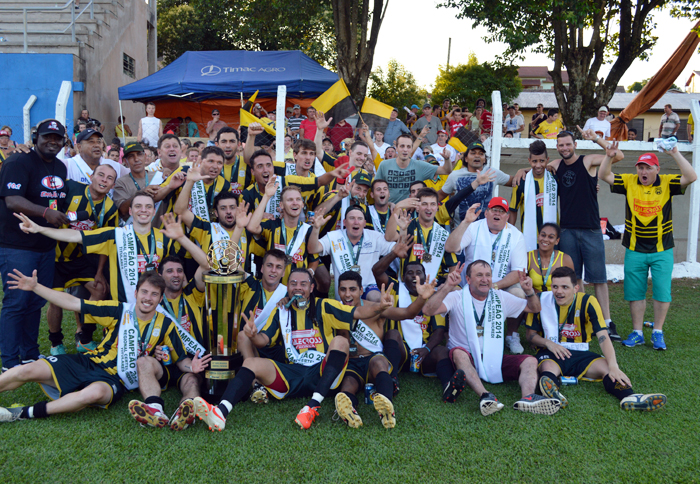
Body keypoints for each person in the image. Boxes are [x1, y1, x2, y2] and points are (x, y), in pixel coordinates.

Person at [192, 268, 396, 431]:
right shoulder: (281, 310)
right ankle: (221, 412)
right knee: (251, 362)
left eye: (303, 284)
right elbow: (264, 341)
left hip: (322, 373)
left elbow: (358, 311)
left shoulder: (324, 306)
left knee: (340, 343)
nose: (298, 288)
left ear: (312, 287)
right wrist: (253, 335)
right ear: (287, 287)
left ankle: (312, 407)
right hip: (292, 374)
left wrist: (381, 307)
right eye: (293, 283)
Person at [0, 271, 200, 424]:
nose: (148, 298)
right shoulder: (119, 310)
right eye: (145, 292)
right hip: (88, 362)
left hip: (114, 379)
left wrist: (193, 368)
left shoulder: (166, 324)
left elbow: (181, 360)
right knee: (28, 369)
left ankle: (22, 413)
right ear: (136, 293)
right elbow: (74, 303)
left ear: (160, 298)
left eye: (154, 294)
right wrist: (36, 287)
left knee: (91, 395)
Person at [422, 260, 560, 416]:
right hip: (465, 357)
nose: (485, 279)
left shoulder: (500, 297)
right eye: (479, 275)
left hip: (492, 357)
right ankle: (485, 396)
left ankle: (527, 398)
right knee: (458, 353)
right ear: (468, 279)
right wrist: (447, 286)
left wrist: (529, 291)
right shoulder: (457, 297)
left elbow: (535, 308)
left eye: (488, 275)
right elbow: (428, 310)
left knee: (530, 360)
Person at [525, 267, 667, 412]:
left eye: (564, 287)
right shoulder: (542, 299)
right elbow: (530, 336)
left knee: (607, 368)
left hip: (580, 353)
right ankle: (553, 394)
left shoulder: (588, 301)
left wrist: (613, 366)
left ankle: (630, 397)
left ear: (576, 288)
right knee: (547, 368)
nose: (559, 291)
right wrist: (548, 343)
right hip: (552, 353)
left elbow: (603, 336)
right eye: (555, 286)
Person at [599, 144, 696, 350]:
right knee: (635, 293)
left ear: (657, 169)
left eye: (648, 168)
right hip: (634, 249)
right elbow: (604, 175)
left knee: (662, 292)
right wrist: (608, 157)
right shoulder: (629, 181)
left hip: (662, 249)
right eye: (640, 167)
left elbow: (692, 176)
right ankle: (637, 332)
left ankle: (657, 332)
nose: (643, 172)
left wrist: (674, 153)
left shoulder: (668, 182)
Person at [17, 195, 190, 305]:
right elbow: (75, 236)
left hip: (156, 307)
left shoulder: (165, 238)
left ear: (153, 212)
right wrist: (39, 229)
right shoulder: (115, 235)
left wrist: (181, 237)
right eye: (138, 206)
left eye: (148, 207)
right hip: (122, 310)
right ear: (130, 211)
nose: (143, 210)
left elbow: (180, 271)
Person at [0, 119, 69, 371]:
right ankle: (9, 362)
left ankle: (29, 354)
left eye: (58, 137)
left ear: (64, 141)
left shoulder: (60, 167)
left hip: (45, 246)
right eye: (47, 136)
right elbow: (12, 200)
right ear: (35, 137)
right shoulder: (18, 161)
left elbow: (58, 202)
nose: (53, 141)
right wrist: (45, 213)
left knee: (35, 302)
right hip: (17, 245)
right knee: (17, 301)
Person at [334, 268, 437, 428]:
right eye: (343, 289)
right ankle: (350, 413)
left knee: (380, 364)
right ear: (338, 291)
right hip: (352, 363)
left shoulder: (376, 307)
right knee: (347, 385)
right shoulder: (333, 310)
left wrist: (422, 298)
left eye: (352, 289)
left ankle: (386, 409)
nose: (348, 294)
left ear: (361, 290)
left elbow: (407, 313)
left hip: (373, 359)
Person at [372, 237, 461, 403]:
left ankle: (450, 386)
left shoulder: (432, 296)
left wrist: (426, 349)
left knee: (442, 351)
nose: (414, 276)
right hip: (399, 351)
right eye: (409, 273)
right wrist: (393, 254)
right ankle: (392, 379)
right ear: (403, 277)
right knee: (392, 333)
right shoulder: (396, 289)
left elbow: (440, 331)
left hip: (422, 354)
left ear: (424, 275)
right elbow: (377, 271)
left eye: (418, 272)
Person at [130, 251, 211, 430]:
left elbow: (206, 265)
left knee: (192, 381)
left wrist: (181, 238)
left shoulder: (193, 294)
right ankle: (155, 410)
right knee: (144, 362)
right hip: (164, 363)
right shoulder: (152, 300)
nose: (176, 275)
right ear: (160, 275)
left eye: (179, 271)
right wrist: (153, 351)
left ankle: (185, 412)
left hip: (190, 361)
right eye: (170, 271)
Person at [48, 164, 119, 356]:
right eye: (101, 175)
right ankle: (56, 343)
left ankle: (84, 338)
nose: (104, 180)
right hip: (55, 257)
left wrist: (99, 272)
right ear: (91, 176)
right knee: (55, 301)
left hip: (81, 259)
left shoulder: (110, 208)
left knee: (99, 289)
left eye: (109, 178)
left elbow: (107, 243)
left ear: (113, 184)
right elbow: (51, 208)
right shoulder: (71, 187)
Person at [445, 198, 528, 354]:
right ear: (486, 213)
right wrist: (465, 222)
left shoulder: (516, 236)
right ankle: (453, 335)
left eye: (501, 211)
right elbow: (450, 247)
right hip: (470, 283)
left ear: (507, 216)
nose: (497, 214)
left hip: (500, 285)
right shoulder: (473, 227)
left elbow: (518, 272)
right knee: (450, 290)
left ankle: (511, 335)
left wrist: (495, 286)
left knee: (518, 293)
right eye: (494, 210)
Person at [308, 204, 395, 302]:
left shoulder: (375, 236)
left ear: (365, 223)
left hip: (369, 287)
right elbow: (312, 249)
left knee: (377, 298)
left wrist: (403, 231)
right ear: (344, 222)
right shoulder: (334, 237)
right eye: (352, 218)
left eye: (360, 218)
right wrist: (316, 228)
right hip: (345, 290)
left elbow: (396, 248)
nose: (356, 222)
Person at [235, 249, 288, 404]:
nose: (273, 270)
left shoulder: (287, 293)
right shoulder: (250, 285)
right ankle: (256, 384)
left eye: (278, 267)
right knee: (242, 335)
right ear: (262, 268)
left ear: (284, 272)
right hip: (250, 346)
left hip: (276, 349)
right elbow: (231, 261)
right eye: (269, 265)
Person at [247, 183, 318, 284]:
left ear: (302, 204)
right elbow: (252, 227)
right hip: (274, 288)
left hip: (297, 288)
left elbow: (314, 258)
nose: (295, 203)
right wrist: (267, 196)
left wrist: (310, 272)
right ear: (281, 205)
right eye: (290, 200)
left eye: (298, 199)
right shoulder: (272, 225)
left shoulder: (308, 230)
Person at [385, 188, 458, 283]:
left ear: (437, 207)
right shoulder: (407, 225)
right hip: (408, 285)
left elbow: (453, 265)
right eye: (424, 204)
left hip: (434, 285)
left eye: (432, 204)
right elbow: (389, 237)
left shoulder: (442, 233)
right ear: (417, 208)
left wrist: (446, 286)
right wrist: (397, 208)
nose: (429, 208)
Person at [438, 141, 512, 223]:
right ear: (465, 158)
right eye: (473, 153)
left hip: (486, 228)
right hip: (461, 228)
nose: (477, 156)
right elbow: (441, 194)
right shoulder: (455, 175)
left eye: (481, 154)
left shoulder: (492, 172)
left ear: (484, 159)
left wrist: (522, 171)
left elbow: (514, 181)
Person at [508, 140, 558, 251]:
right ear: (529, 161)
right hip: (529, 238)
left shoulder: (554, 179)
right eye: (535, 161)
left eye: (542, 161)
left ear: (547, 161)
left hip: (553, 238)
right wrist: (509, 235)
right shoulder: (521, 181)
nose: (538, 165)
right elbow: (513, 210)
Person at [375, 133, 453, 204]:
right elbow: (376, 189)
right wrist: (388, 204)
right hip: (390, 210)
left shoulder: (420, 166)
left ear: (412, 149)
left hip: (413, 212)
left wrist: (447, 159)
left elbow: (446, 170)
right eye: (402, 146)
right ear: (396, 148)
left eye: (408, 147)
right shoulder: (384, 165)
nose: (405, 149)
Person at [158, 147, 230, 222]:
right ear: (201, 161)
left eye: (219, 163)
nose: (215, 166)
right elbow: (156, 197)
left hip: (202, 231)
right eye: (211, 161)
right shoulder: (184, 171)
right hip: (174, 228)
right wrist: (169, 187)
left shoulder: (225, 185)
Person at [113, 142, 167, 224]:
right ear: (125, 161)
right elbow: (122, 210)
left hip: (161, 231)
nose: (136, 159)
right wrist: (142, 193)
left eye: (139, 154)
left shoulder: (160, 176)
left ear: (145, 156)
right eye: (131, 156)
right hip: (136, 232)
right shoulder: (121, 182)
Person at [526, 223, 574, 292]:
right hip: (534, 299)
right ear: (538, 236)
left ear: (557, 241)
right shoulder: (528, 257)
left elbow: (571, 286)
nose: (545, 239)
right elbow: (522, 283)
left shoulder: (565, 259)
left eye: (551, 237)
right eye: (543, 235)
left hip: (558, 299)